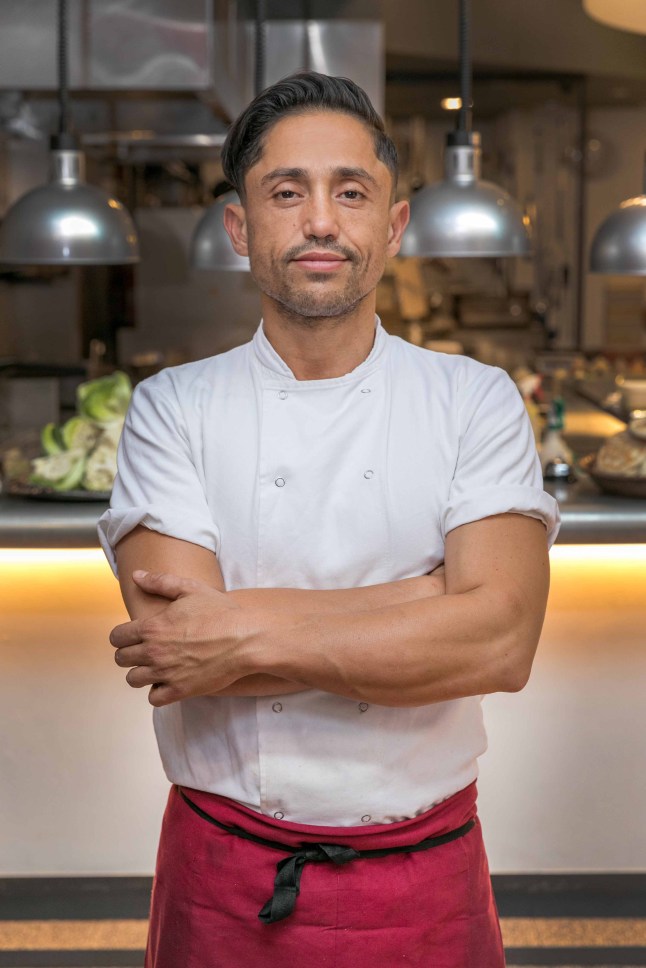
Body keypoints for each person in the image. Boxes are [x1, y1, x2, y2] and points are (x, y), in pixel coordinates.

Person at [99, 71, 560, 968]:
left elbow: (501, 647)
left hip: (425, 872)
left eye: (351, 192)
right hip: (225, 875)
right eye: (286, 192)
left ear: (391, 227)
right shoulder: (171, 409)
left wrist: (239, 627)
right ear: (240, 227)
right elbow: (179, 652)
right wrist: (430, 599)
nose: (320, 221)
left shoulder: (474, 401)